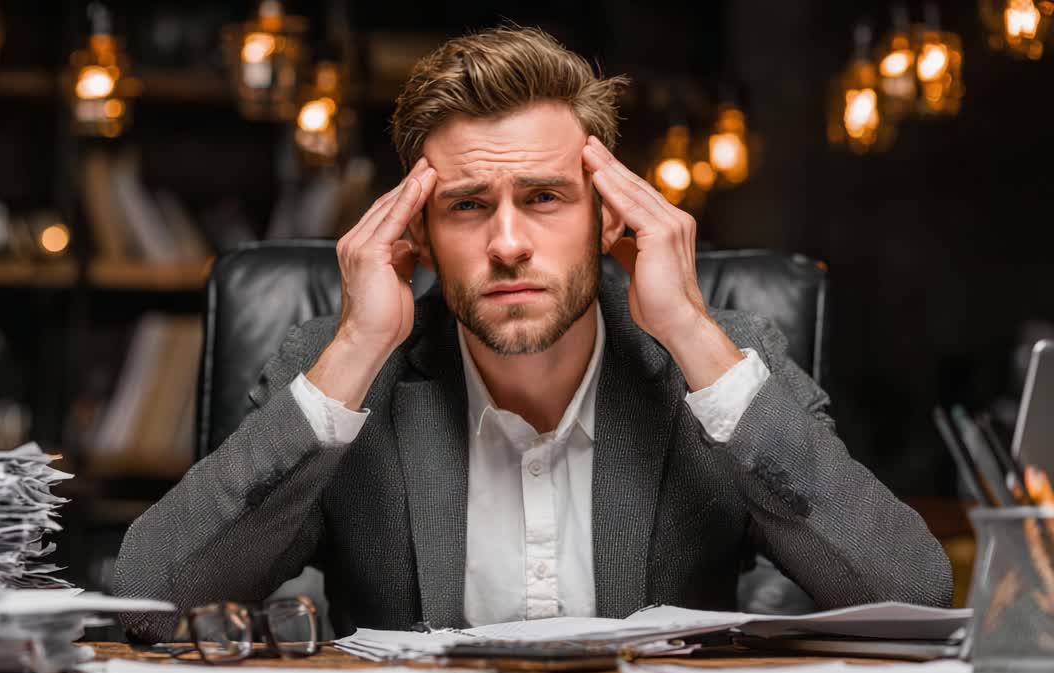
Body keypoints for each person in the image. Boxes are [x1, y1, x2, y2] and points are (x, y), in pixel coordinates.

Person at [115, 26, 952, 641]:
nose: (508, 240)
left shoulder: (726, 366)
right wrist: (355, 352)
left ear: (608, 219)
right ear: (417, 233)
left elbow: (914, 596)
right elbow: (150, 599)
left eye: (546, 198)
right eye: (468, 205)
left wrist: (692, 338)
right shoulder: (334, 371)